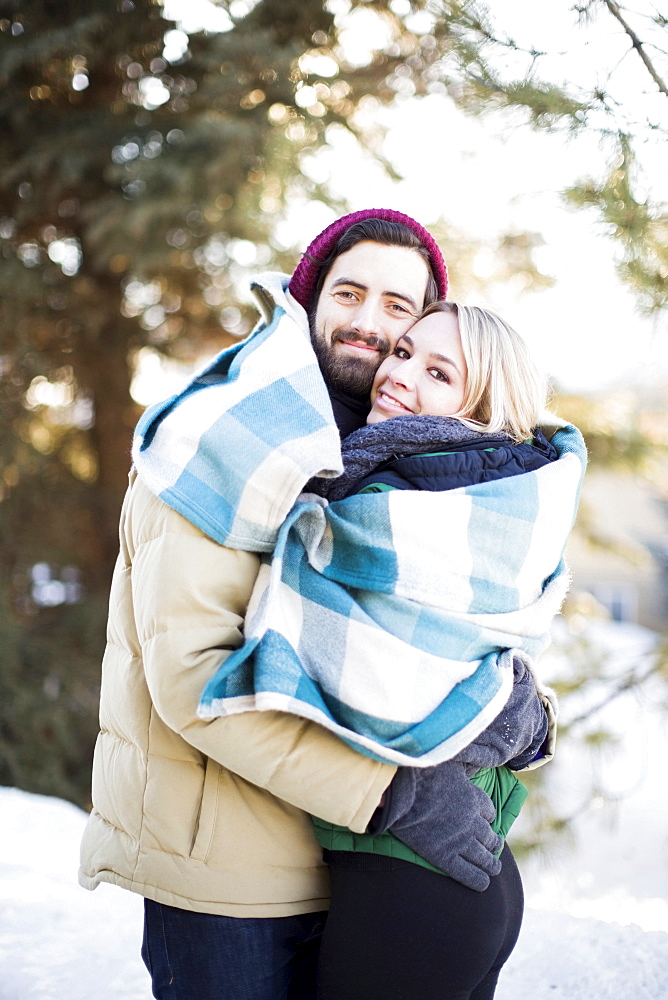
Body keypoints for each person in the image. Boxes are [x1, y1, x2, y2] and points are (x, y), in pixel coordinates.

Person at [78, 209, 549, 1000]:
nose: (370, 325)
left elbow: (423, 636)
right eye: (350, 293)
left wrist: (521, 707)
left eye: (399, 312)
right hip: (233, 889)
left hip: (355, 869)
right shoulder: (223, 438)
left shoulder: (383, 462)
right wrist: (395, 794)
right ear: (306, 299)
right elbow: (195, 683)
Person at [197, 300, 587, 999]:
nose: (398, 374)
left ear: (482, 403)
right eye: (404, 353)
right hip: (458, 880)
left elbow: (359, 659)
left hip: (411, 883)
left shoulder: (404, 493)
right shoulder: (453, 476)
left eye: (438, 371)